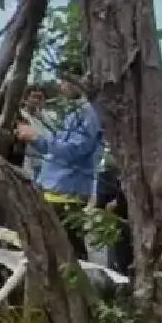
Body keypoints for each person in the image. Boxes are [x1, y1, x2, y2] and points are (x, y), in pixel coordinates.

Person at [16, 75, 102, 257]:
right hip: (54, 190)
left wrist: (37, 139)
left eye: (65, 81)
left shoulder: (90, 114)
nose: (60, 86)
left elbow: (76, 150)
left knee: (70, 251)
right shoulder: (74, 113)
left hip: (67, 195)